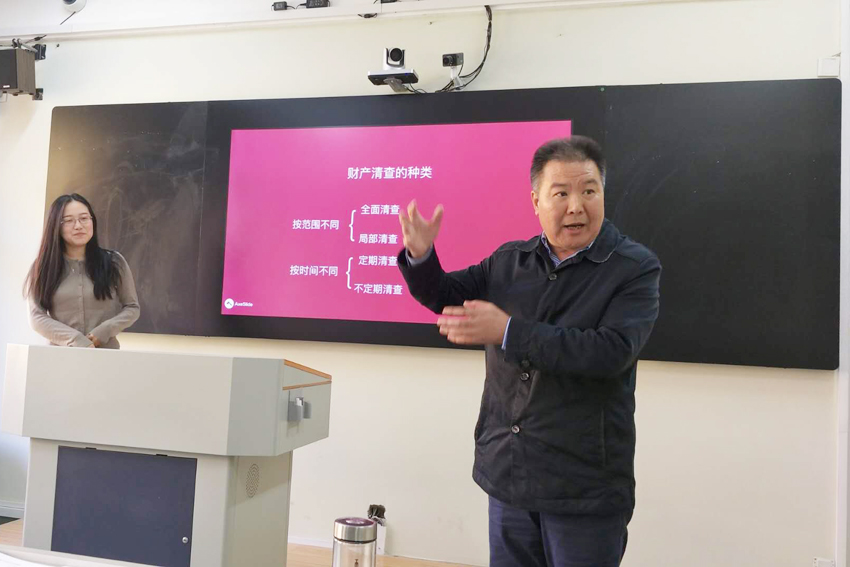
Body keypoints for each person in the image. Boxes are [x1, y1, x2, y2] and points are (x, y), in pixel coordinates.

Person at [397, 136, 661, 567]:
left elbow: (611, 351)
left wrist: (509, 331)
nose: (576, 206)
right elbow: (444, 295)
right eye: (561, 193)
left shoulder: (633, 268)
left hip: (583, 486)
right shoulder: (509, 261)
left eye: (589, 191)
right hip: (509, 474)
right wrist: (421, 255)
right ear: (536, 201)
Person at [25, 193, 140, 349]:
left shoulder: (114, 261)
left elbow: (132, 308)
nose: (78, 226)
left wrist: (104, 332)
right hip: (59, 356)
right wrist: (76, 339)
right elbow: (36, 316)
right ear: (55, 226)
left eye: (84, 218)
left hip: (107, 355)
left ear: (92, 221)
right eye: (68, 220)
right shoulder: (42, 267)